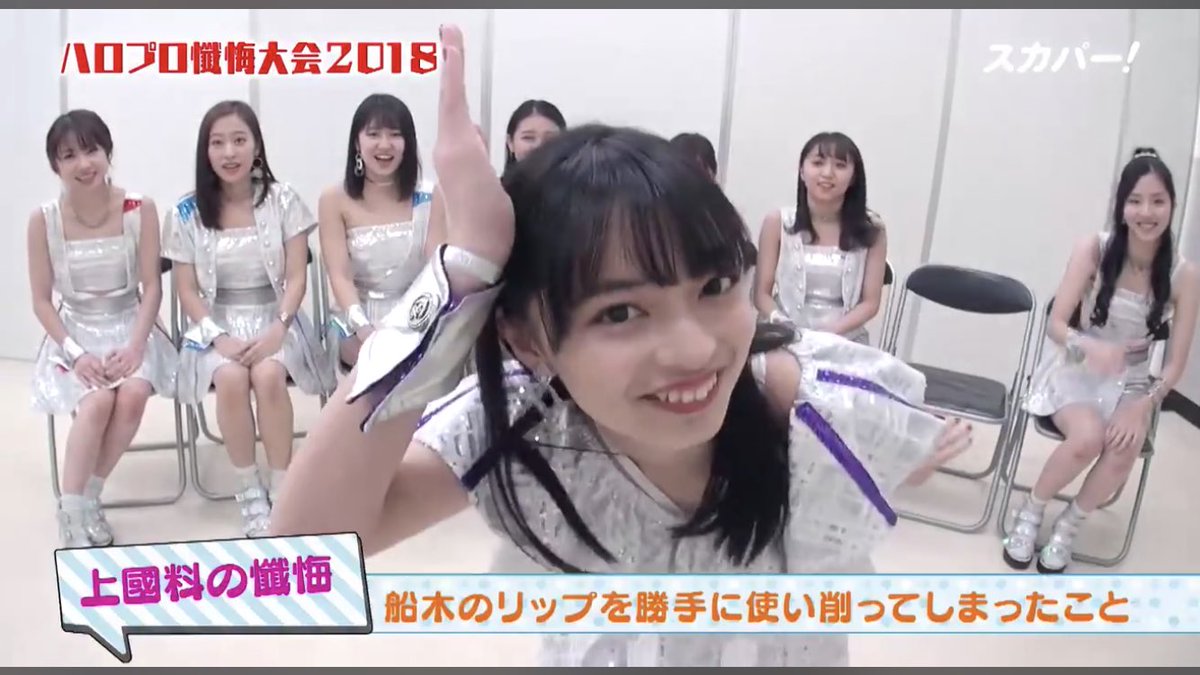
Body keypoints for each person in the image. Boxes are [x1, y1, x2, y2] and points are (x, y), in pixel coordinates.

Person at [270, 25, 972, 667]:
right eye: (622, 311)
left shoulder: (819, 403)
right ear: (530, 339)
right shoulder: (526, 422)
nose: (694, 348)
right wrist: (463, 273)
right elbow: (301, 564)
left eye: (714, 284)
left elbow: (901, 460)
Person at [1004, 147, 1198, 574]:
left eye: (1158, 201)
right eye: (1135, 201)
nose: (1146, 212)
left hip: (1134, 383)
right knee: (1088, 438)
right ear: (1121, 206)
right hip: (1077, 363)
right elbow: (1056, 324)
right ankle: (1031, 510)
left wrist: (1142, 405)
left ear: (1172, 205)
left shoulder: (1185, 275)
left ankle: (1069, 525)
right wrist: (1091, 348)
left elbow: (1175, 365)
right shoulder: (1093, 248)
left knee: (1124, 448)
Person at [163, 100, 334, 538]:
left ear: (256, 147)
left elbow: (297, 277)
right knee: (232, 378)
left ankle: (283, 485)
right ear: (205, 152)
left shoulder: (283, 199)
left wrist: (278, 327)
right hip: (215, 323)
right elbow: (186, 291)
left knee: (270, 376)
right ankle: (249, 490)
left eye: (239, 140)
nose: (229, 152)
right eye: (217, 143)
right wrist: (217, 336)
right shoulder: (185, 213)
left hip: (276, 317)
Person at [28, 109, 178, 548]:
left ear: (108, 153)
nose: (83, 163)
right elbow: (41, 301)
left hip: (132, 325)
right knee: (95, 404)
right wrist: (76, 354)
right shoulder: (43, 220)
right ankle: (71, 510)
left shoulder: (138, 208)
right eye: (69, 155)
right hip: (74, 332)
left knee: (131, 395)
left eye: (91, 150)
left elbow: (152, 287)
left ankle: (89, 496)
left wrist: (135, 347)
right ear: (55, 165)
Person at [319, 93, 439, 373]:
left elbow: (436, 270)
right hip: (355, 316)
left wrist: (415, 324)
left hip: (417, 313)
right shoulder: (334, 199)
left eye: (395, 135)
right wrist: (363, 328)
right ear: (357, 143)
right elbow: (340, 275)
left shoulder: (430, 195)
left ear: (408, 143)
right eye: (373, 134)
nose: (385, 145)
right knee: (375, 360)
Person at [754, 132, 888, 345]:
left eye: (840, 166)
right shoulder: (777, 222)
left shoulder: (873, 229)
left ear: (854, 177)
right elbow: (761, 294)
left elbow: (870, 303)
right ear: (801, 171)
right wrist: (783, 324)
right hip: (784, 337)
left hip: (844, 340)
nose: (827, 173)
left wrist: (828, 334)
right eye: (818, 163)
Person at [503, 99, 565, 172]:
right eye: (528, 137)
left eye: (550, 138)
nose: (538, 146)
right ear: (510, 143)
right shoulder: (493, 180)